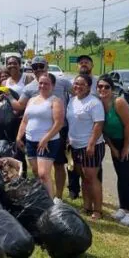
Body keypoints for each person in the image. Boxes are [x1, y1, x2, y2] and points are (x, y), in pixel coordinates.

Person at [8, 56, 72, 198]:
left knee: (57, 166)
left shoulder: (61, 83)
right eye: (35, 67)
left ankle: (58, 197)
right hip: (32, 138)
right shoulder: (30, 90)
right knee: (38, 172)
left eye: (41, 66)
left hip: (56, 133)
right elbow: (21, 110)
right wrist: (7, 96)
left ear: (46, 66)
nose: (38, 69)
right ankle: (42, 196)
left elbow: (79, 92)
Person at [97, 74, 129, 226]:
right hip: (115, 142)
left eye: (106, 87)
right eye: (100, 86)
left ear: (112, 89)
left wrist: (126, 147)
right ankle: (122, 208)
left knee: (126, 175)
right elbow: (104, 131)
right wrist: (113, 148)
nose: (103, 89)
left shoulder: (118, 102)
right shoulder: (98, 104)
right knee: (121, 175)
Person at [17, 73, 65, 198]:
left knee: (44, 173)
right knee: (36, 172)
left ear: (53, 86)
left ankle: (50, 203)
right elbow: (25, 121)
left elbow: (59, 123)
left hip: (47, 142)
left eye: (46, 83)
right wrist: (18, 137)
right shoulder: (32, 100)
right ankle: (41, 197)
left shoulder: (55, 101)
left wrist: (45, 138)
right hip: (30, 140)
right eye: (41, 83)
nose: (43, 86)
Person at [66, 74, 106, 220]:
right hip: (75, 145)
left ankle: (98, 210)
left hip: (90, 145)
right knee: (83, 176)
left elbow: (98, 124)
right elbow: (72, 123)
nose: (78, 86)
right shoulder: (72, 101)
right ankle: (87, 206)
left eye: (82, 84)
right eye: (76, 83)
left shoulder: (94, 102)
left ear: (89, 86)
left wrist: (91, 144)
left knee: (91, 177)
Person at [67, 54, 99, 199]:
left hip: (94, 127)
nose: (83, 64)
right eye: (81, 63)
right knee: (73, 163)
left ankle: (94, 195)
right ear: (77, 66)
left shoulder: (99, 82)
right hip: (75, 127)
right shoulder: (71, 82)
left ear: (92, 66)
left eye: (87, 62)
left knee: (93, 169)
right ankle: (73, 190)